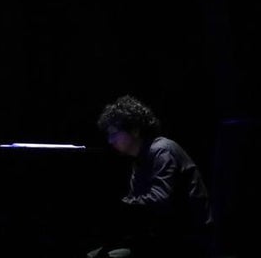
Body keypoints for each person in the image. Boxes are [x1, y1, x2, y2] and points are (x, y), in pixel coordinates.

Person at [86, 95, 215, 258]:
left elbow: (160, 201)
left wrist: (119, 204)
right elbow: (139, 210)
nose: (110, 141)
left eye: (114, 134)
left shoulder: (162, 150)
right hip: (163, 237)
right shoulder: (139, 159)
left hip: (188, 241)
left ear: (134, 130)